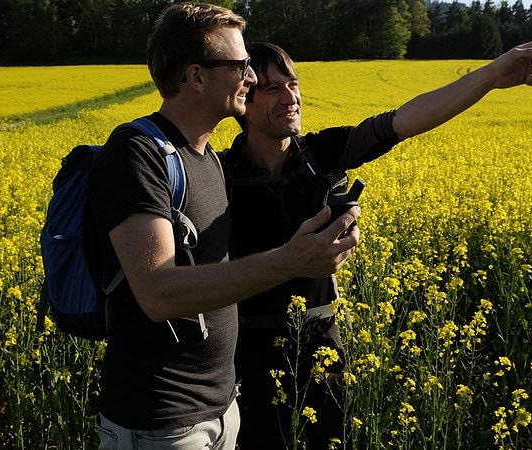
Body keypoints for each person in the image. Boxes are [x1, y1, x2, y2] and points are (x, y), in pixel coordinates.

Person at [221, 33, 532, 449]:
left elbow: (404, 120)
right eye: (272, 88)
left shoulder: (320, 154)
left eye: (293, 84)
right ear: (243, 98)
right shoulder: (219, 174)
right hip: (247, 355)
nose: (290, 97)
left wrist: (491, 76)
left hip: (322, 345)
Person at [86, 3, 360, 449]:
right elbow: (157, 293)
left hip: (221, 410)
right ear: (196, 77)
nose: (250, 78)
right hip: (162, 422)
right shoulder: (137, 153)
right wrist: (292, 260)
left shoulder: (209, 159)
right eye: (242, 66)